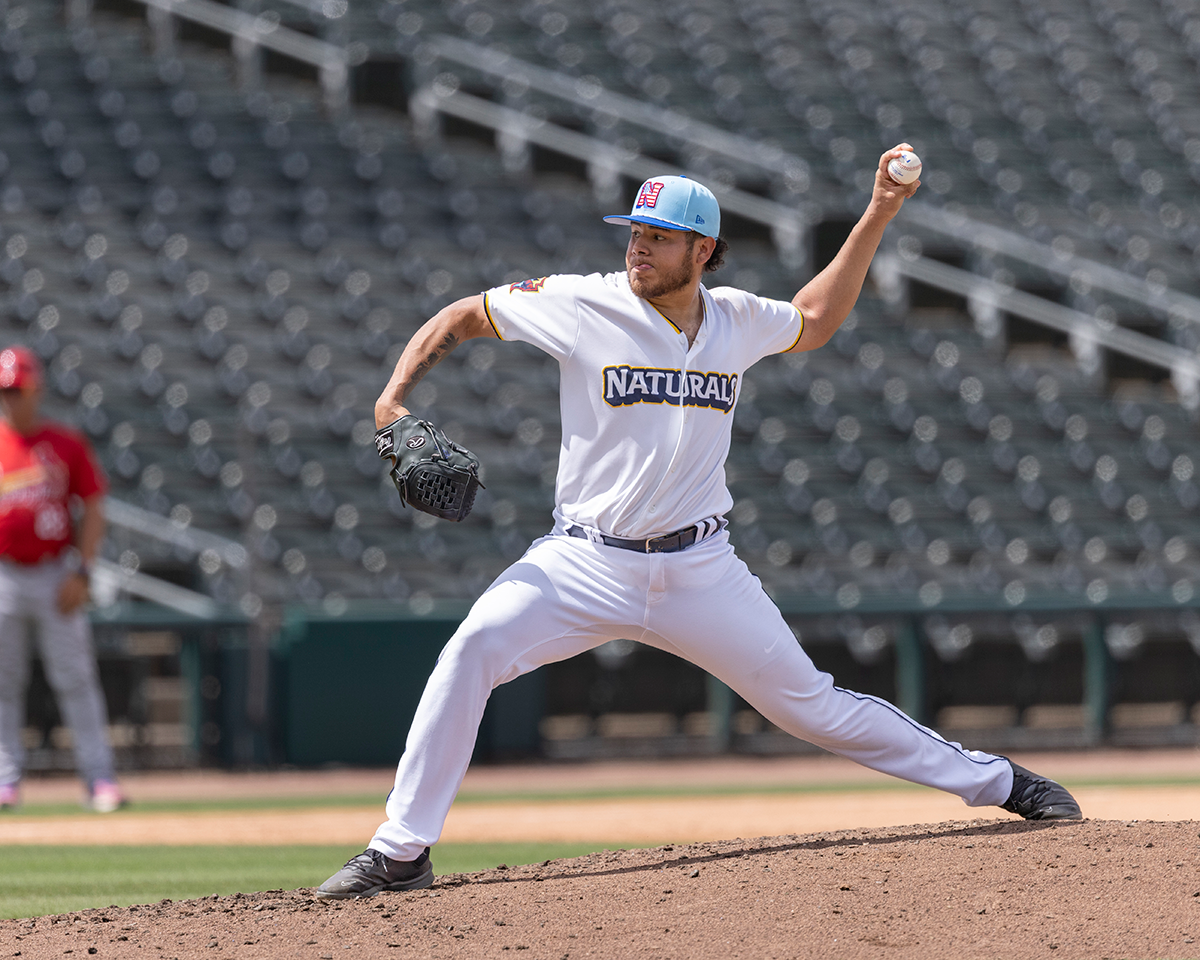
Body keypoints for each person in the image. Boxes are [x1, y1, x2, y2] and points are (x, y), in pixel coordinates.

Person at [317, 145, 1081, 898]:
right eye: (635, 233)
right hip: (584, 560)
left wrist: (879, 211)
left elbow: (815, 318)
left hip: (700, 569)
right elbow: (464, 315)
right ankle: (400, 851)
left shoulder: (736, 320)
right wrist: (392, 400)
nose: (638, 248)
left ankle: (1001, 782)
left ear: (702, 250)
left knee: (813, 707)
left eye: (659, 237)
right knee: (473, 648)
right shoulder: (582, 303)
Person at [0, 346, 125, 813]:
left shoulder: (64, 443)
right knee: (2, 682)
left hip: (56, 572)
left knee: (75, 679)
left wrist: (83, 569)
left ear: (36, 389)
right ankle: (5, 781)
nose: (11, 399)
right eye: (5, 391)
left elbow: (93, 504)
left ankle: (99, 780)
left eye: (18, 389)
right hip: (4, 573)